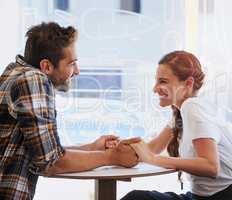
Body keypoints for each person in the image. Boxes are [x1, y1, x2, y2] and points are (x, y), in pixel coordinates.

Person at [0, 22, 140, 200]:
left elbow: (43, 152)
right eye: (72, 63)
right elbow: (51, 162)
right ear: (47, 67)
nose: (77, 71)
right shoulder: (33, 79)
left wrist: (91, 148)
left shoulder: (13, 73)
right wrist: (111, 157)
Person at [121, 51, 232, 200]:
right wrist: (123, 147)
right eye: (156, 81)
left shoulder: (192, 107)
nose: (155, 89)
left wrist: (153, 160)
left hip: (221, 196)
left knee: (136, 198)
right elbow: (154, 148)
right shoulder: (180, 112)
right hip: (201, 196)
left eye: (163, 81)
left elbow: (211, 167)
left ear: (188, 84)